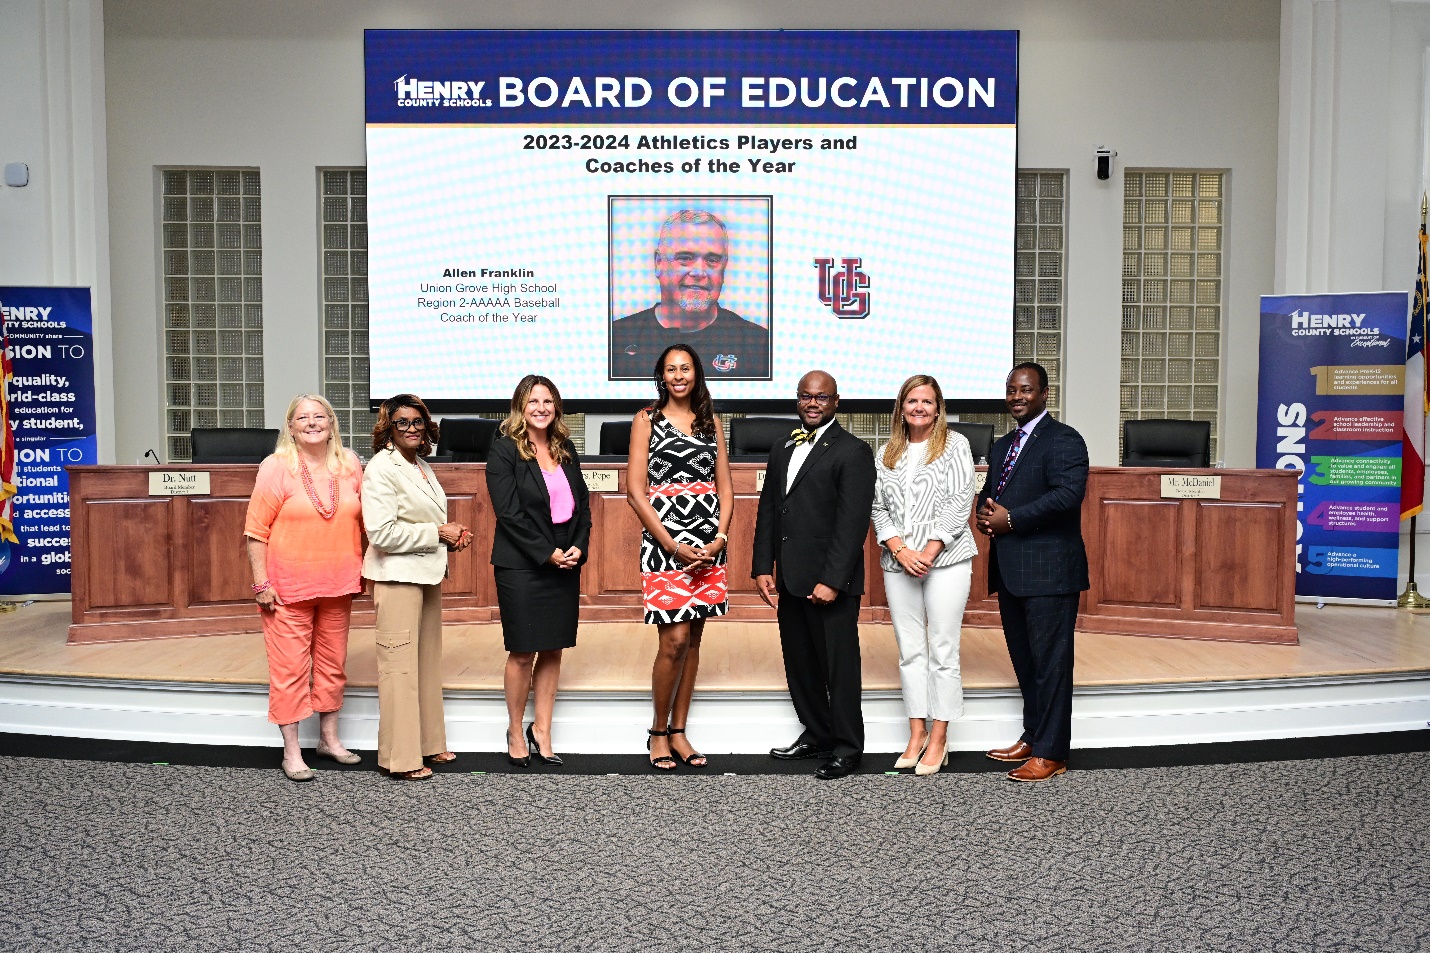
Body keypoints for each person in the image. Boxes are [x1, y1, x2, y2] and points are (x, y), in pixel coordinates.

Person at [752, 370, 876, 780]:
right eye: (805, 396)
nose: (812, 403)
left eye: (821, 397)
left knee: (838, 668)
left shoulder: (854, 451)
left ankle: (847, 747)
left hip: (829, 581)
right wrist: (762, 566)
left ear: (836, 402)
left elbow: (852, 524)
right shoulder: (783, 445)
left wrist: (833, 580)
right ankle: (817, 733)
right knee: (801, 663)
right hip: (789, 577)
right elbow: (771, 508)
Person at [975, 362, 1089, 783]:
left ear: (1044, 393)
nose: (1016, 397)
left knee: (1052, 664)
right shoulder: (1004, 445)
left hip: (1050, 573)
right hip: (1011, 571)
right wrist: (985, 514)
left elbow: (1067, 496)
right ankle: (1033, 734)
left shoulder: (1064, 440)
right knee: (1025, 661)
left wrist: (1013, 520)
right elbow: (991, 494)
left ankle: (1052, 752)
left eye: (1025, 390)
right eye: (1010, 390)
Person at [244, 394, 364, 782]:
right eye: (302, 418)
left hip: (339, 584)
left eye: (319, 416)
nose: (312, 423)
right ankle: (292, 752)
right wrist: (261, 582)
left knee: (332, 668)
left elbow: (366, 522)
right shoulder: (276, 467)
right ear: (291, 427)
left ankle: (328, 740)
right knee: (290, 671)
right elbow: (255, 532)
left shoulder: (349, 464)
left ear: (331, 423)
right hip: (286, 589)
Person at [626, 344, 733, 770]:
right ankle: (657, 730)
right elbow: (635, 491)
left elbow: (724, 487)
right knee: (673, 641)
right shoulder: (646, 420)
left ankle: (680, 732)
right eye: (670, 369)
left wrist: (720, 538)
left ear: (696, 373)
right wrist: (672, 544)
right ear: (661, 376)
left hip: (708, 545)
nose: (678, 375)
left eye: (685, 368)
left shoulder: (712, 422)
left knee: (694, 640)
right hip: (665, 544)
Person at [871, 375, 976, 777]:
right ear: (901, 407)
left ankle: (939, 736)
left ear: (938, 408)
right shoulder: (887, 452)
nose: (919, 407)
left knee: (943, 651)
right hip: (899, 563)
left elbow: (958, 501)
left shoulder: (955, 445)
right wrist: (900, 549)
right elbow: (878, 508)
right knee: (911, 651)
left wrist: (928, 553)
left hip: (947, 561)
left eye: (927, 401)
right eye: (912, 400)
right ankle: (916, 733)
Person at [363, 394, 470, 781]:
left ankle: (429, 743)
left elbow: (421, 521)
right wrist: (437, 532)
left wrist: (448, 538)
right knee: (399, 670)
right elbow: (380, 532)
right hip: (396, 579)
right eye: (402, 423)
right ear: (388, 428)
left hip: (424, 575)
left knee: (424, 665)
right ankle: (401, 758)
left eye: (418, 422)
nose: (411, 429)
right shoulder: (381, 468)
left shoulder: (420, 464)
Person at [486, 375, 591, 768]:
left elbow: (582, 504)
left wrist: (578, 545)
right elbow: (508, 514)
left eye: (548, 401)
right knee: (522, 650)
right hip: (523, 564)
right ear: (520, 407)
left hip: (566, 560)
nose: (541, 408)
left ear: (556, 407)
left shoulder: (566, 448)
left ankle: (542, 730)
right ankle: (516, 729)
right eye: (533, 402)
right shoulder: (503, 451)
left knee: (553, 648)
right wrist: (547, 553)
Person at [610, 209, 771, 380]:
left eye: (712, 260)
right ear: (658, 263)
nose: (699, 272)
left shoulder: (760, 347)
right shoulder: (616, 340)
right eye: (685, 258)